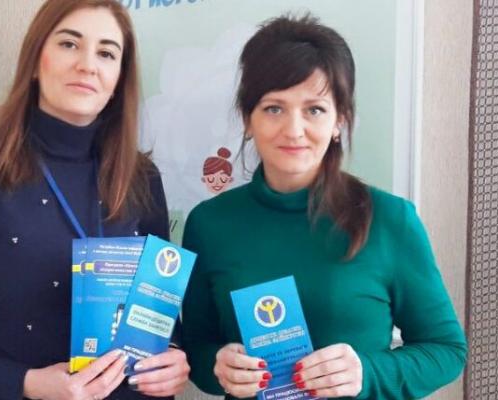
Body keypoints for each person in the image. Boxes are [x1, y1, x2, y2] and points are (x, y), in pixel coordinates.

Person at [0, 1, 190, 399]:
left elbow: (162, 322)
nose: (87, 65)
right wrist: (30, 383)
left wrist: (174, 357)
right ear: (35, 61)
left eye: (106, 53)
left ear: (119, 79)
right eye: (69, 44)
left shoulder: (142, 178)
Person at [181, 13, 467, 400]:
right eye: (273, 108)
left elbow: (447, 351)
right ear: (248, 119)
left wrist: (367, 372)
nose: (293, 130)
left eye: (314, 109)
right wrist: (219, 366)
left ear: (339, 121)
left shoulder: (390, 219)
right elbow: (198, 350)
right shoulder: (208, 224)